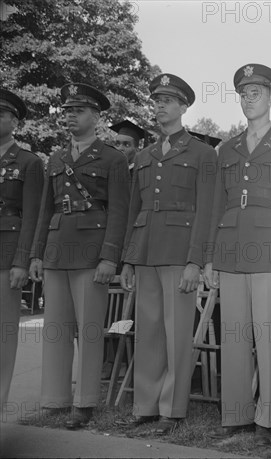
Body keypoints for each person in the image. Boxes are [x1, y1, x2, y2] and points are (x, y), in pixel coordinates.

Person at [203, 64, 271, 447]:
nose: (250, 99)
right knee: (232, 338)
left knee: (267, 339)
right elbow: (216, 206)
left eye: (257, 92)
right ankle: (236, 418)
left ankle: (267, 421)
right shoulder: (226, 148)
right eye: (244, 93)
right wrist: (210, 257)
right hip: (230, 251)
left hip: (268, 253)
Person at [119, 74, 217, 435]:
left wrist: (195, 260)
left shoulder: (203, 153)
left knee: (176, 334)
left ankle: (172, 410)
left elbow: (206, 211)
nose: (159, 106)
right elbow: (134, 209)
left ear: (184, 107)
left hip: (179, 252)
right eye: (156, 100)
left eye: (167, 101)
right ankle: (145, 405)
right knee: (147, 332)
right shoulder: (143, 155)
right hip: (145, 251)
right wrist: (128, 258)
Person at [29, 83, 130, 429]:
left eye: (78, 111)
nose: (70, 116)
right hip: (57, 248)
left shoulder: (113, 158)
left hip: (91, 251)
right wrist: (36, 254)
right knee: (55, 328)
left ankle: (85, 401)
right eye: (67, 111)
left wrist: (109, 257)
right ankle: (55, 398)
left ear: (96, 117)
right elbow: (45, 210)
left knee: (89, 330)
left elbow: (119, 212)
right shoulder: (56, 158)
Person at [0, 89, 44, 409]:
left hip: (6, 253)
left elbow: (32, 216)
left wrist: (22, 261)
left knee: (3, 335)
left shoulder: (28, 162)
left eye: (1, 113)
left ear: (14, 121)